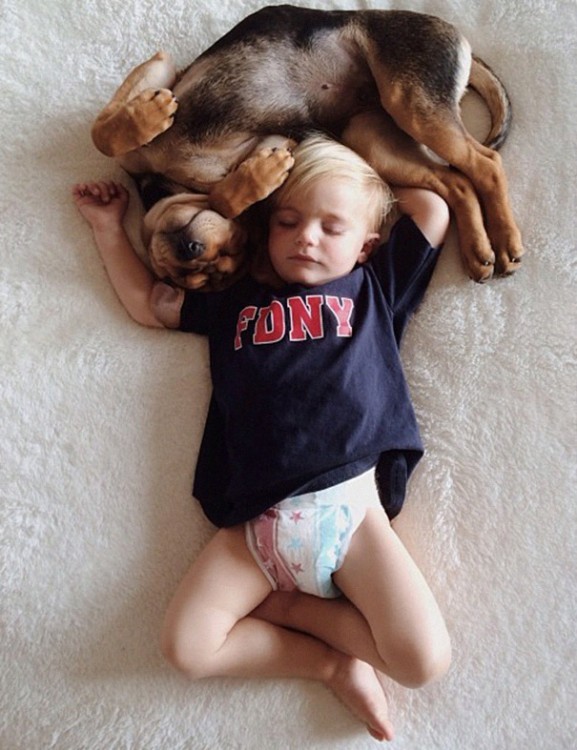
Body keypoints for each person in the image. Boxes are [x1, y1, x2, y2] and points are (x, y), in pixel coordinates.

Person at [72, 135, 452, 743]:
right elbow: (150, 303)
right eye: (289, 220)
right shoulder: (234, 299)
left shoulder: (374, 287)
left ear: (366, 245)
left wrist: (355, 176)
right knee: (187, 648)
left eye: (333, 228)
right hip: (255, 518)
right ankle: (326, 661)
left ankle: (294, 611)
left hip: (351, 512)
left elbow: (432, 208)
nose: (307, 236)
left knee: (422, 662)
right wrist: (107, 229)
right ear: (264, 225)